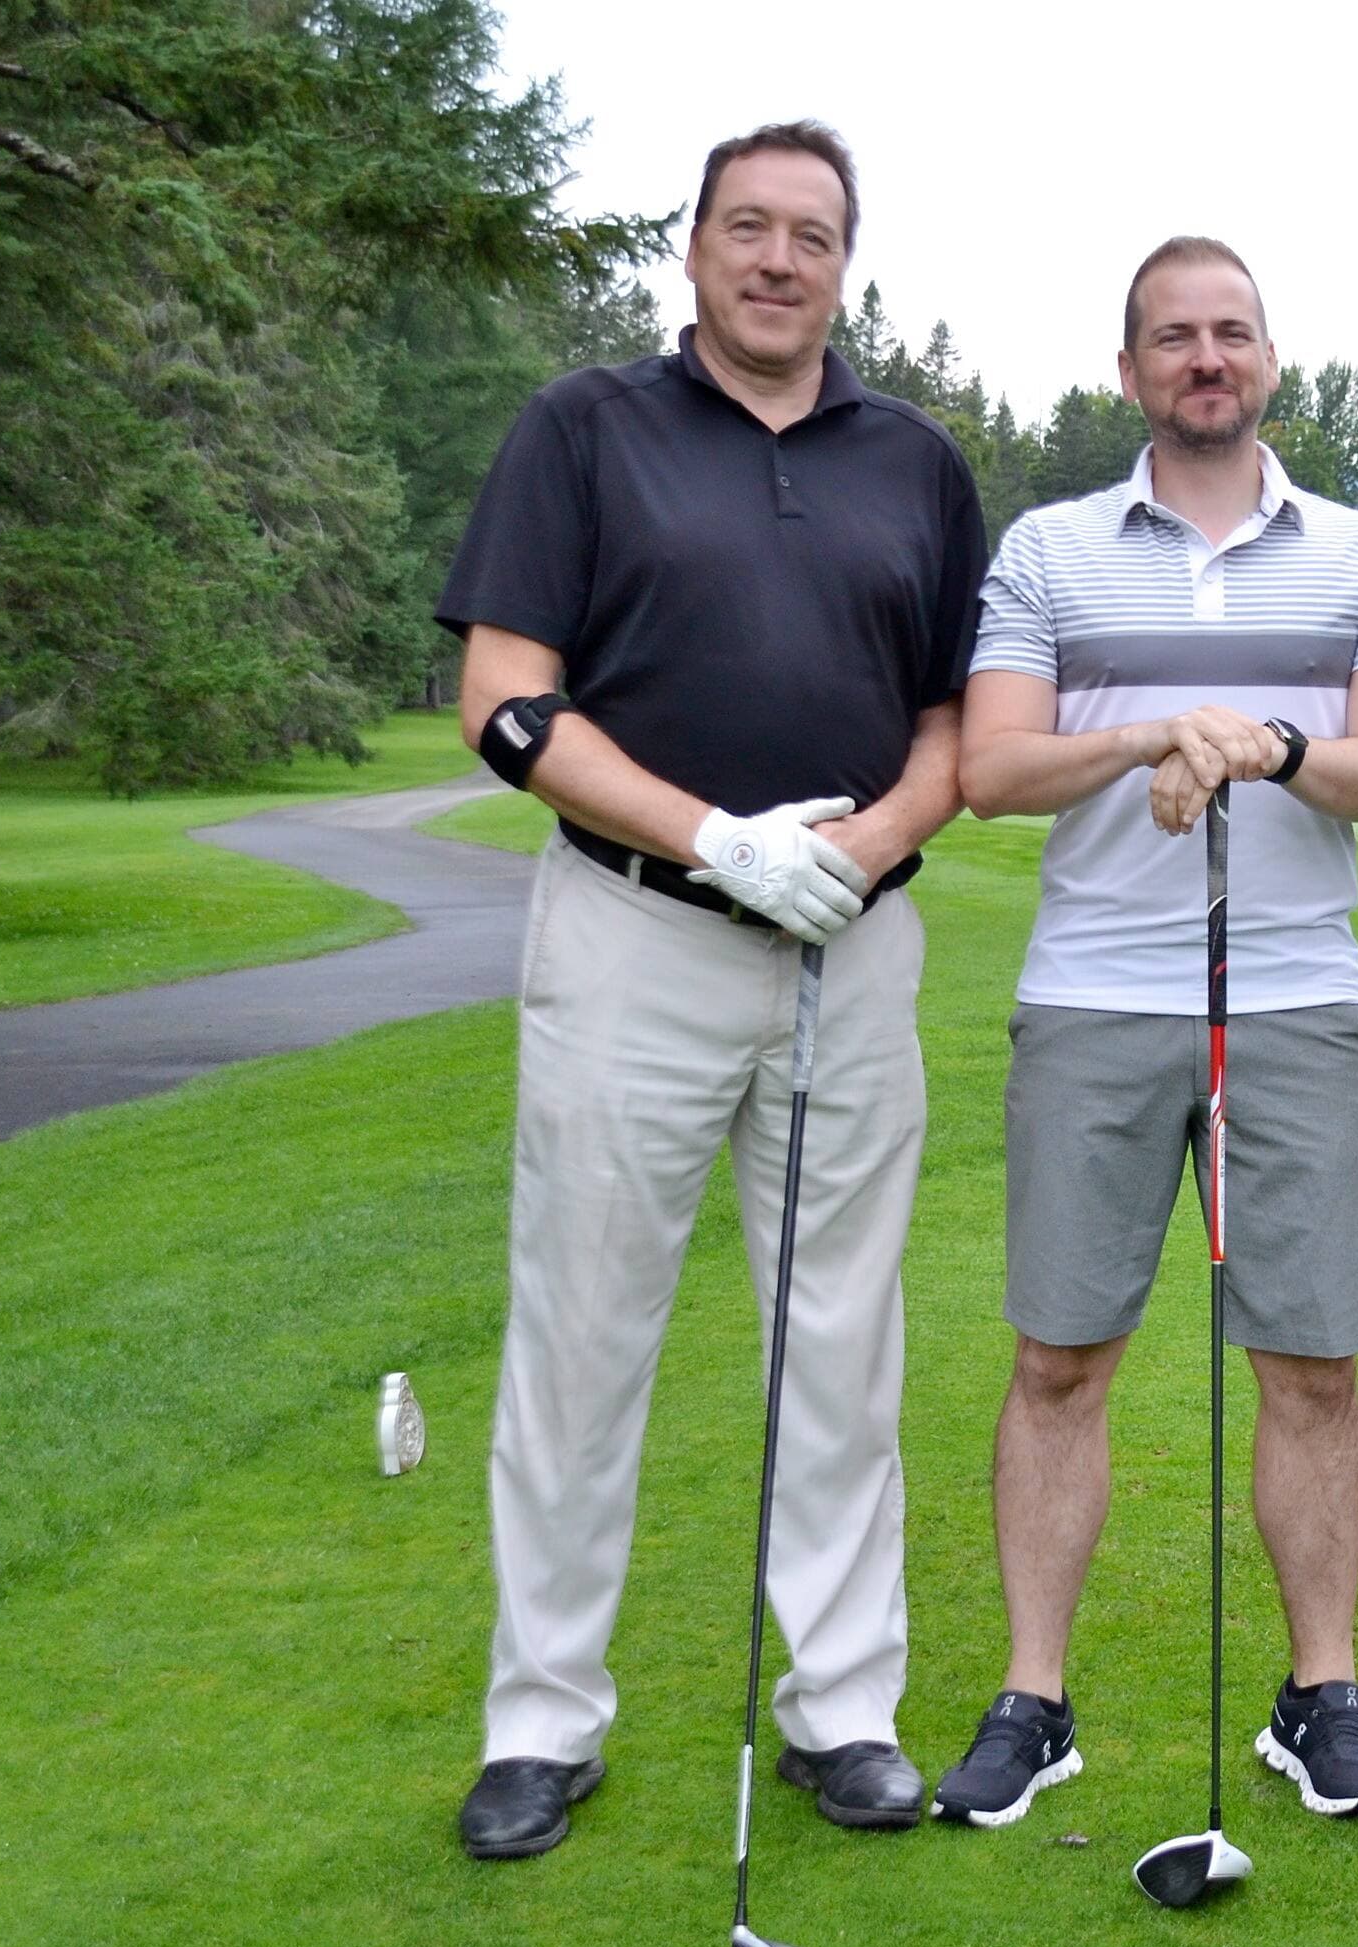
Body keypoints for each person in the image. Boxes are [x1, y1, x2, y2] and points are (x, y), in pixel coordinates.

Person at [439, 120, 985, 1859]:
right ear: (692, 251)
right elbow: (504, 698)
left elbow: (955, 719)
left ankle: (845, 1710)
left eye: (809, 234)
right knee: (584, 1334)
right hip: (634, 935)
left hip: (851, 943)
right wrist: (714, 838)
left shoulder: (912, 459)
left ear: (845, 264)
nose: (775, 258)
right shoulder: (584, 429)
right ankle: (542, 1720)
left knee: (838, 1345)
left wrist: (873, 845)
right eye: (744, 227)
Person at [933, 237, 1358, 1830]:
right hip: (1093, 993)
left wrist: (1264, 745)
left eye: (1228, 333)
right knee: (1059, 1356)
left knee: (1310, 1362)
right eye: (1172, 338)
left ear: (1268, 359)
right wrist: (1164, 730)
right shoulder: (1049, 551)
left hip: (1290, 996)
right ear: (1130, 368)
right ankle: (1035, 1694)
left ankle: (1320, 1690)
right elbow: (992, 772)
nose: (1202, 358)